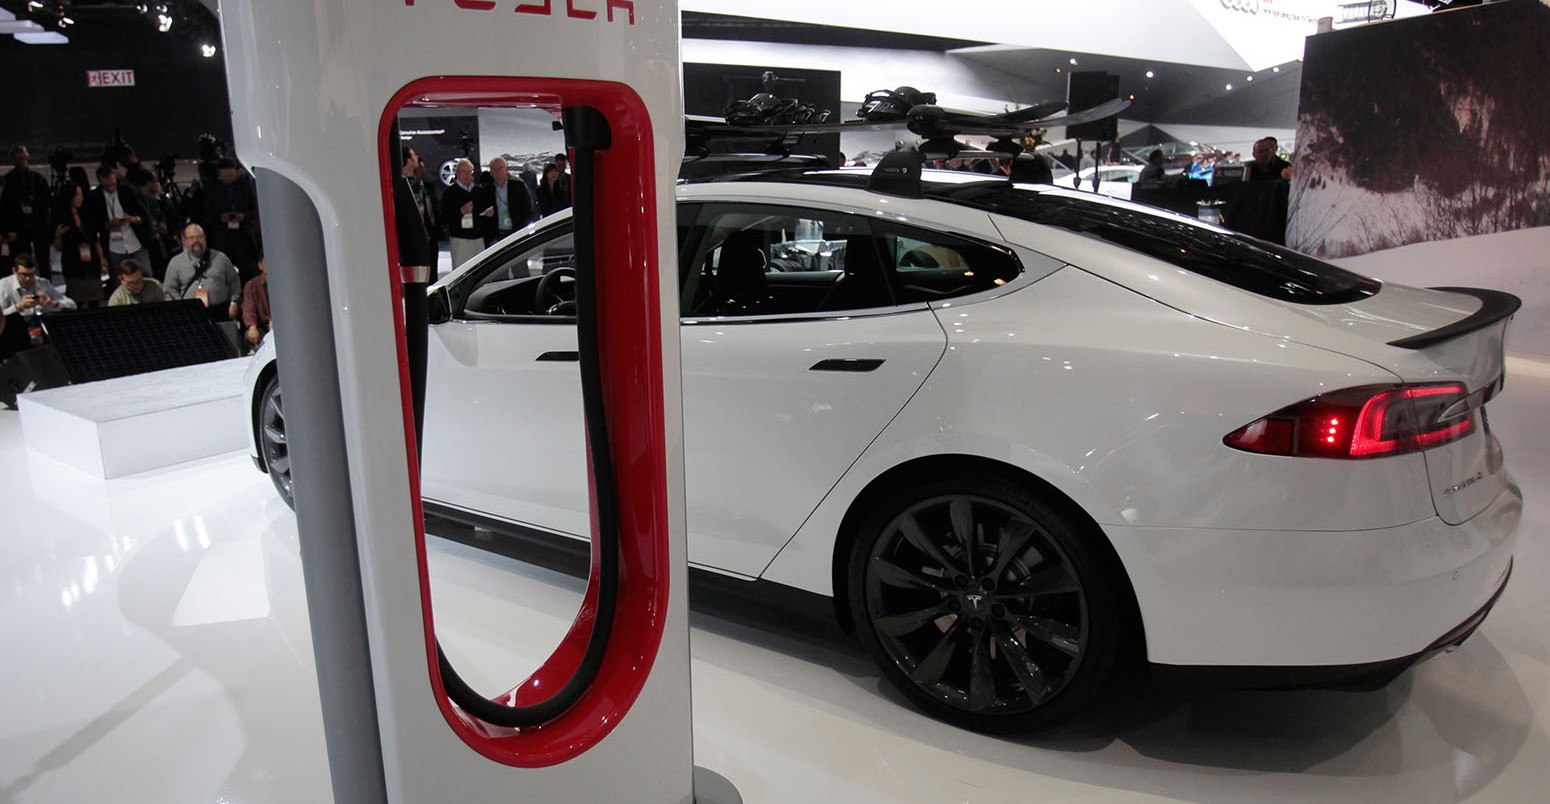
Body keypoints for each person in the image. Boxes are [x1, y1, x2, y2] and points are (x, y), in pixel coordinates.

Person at [82, 164, 150, 283]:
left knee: (146, 279)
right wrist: (107, 225)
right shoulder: (93, 197)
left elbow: (143, 215)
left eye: (113, 184)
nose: (111, 188)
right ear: (100, 181)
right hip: (113, 247)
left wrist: (134, 219)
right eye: (107, 185)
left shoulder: (127, 192)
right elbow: (91, 224)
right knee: (119, 282)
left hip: (135, 243)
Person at [1, 253, 75, 358]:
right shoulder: (4, 286)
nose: (28, 279)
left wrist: (52, 303)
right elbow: (1, 314)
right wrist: (18, 307)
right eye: (24, 275)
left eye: (31, 275)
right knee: (13, 319)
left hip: (40, 323)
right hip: (15, 329)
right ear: (15, 271)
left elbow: (72, 305)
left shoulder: (43, 283)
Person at [164, 223, 242, 322]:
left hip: (220, 311)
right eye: (191, 238)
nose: (196, 241)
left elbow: (234, 281)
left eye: (199, 237)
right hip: (190, 314)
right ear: (185, 241)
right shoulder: (175, 263)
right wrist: (181, 308)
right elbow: (169, 290)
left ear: (205, 238)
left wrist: (233, 302)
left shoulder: (221, 258)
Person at [201, 158, 262, 284]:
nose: (229, 178)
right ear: (219, 174)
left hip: (243, 235)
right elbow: (204, 213)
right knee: (223, 271)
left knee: (248, 270)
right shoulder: (211, 190)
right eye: (226, 176)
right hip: (221, 237)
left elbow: (255, 209)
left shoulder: (245, 187)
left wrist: (244, 216)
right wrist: (220, 218)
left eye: (231, 175)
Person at [0, 146, 52, 273]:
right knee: (23, 261)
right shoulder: (7, 181)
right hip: (18, 228)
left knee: (43, 260)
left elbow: (47, 202)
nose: (20, 161)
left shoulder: (38, 179)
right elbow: (5, 208)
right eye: (17, 159)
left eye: (22, 158)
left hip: (38, 225)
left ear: (27, 157)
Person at [52, 183, 104, 307]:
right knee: (76, 300)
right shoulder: (61, 217)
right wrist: (58, 235)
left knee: (94, 300)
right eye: (77, 194)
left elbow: (95, 240)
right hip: (73, 262)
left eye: (81, 194)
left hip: (91, 261)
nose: (80, 197)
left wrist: (102, 260)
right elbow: (58, 247)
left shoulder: (86, 215)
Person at [393, 147, 438, 277]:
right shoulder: (399, 185)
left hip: (427, 238)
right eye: (413, 155)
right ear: (407, 160)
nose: (417, 157)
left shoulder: (420, 185)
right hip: (410, 240)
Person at [474, 157, 535, 247]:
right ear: (491, 173)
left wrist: (520, 234)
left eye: (500, 168)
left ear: (506, 170)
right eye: (494, 169)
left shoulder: (519, 186)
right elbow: (482, 218)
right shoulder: (486, 191)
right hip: (495, 239)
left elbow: (528, 212)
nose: (498, 172)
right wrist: (490, 239)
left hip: (517, 236)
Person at [440, 159, 482, 270]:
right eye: (464, 172)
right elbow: (445, 218)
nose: (468, 175)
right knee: (462, 272)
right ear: (457, 173)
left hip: (478, 239)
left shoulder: (479, 191)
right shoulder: (450, 193)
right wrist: (461, 212)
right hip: (460, 240)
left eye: (470, 172)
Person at [241, 258, 271, 350]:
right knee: (251, 334)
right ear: (260, 265)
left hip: (285, 325)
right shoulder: (252, 285)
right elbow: (248, 309)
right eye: (266, 262)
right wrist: (252, 326)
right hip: (264, 328)